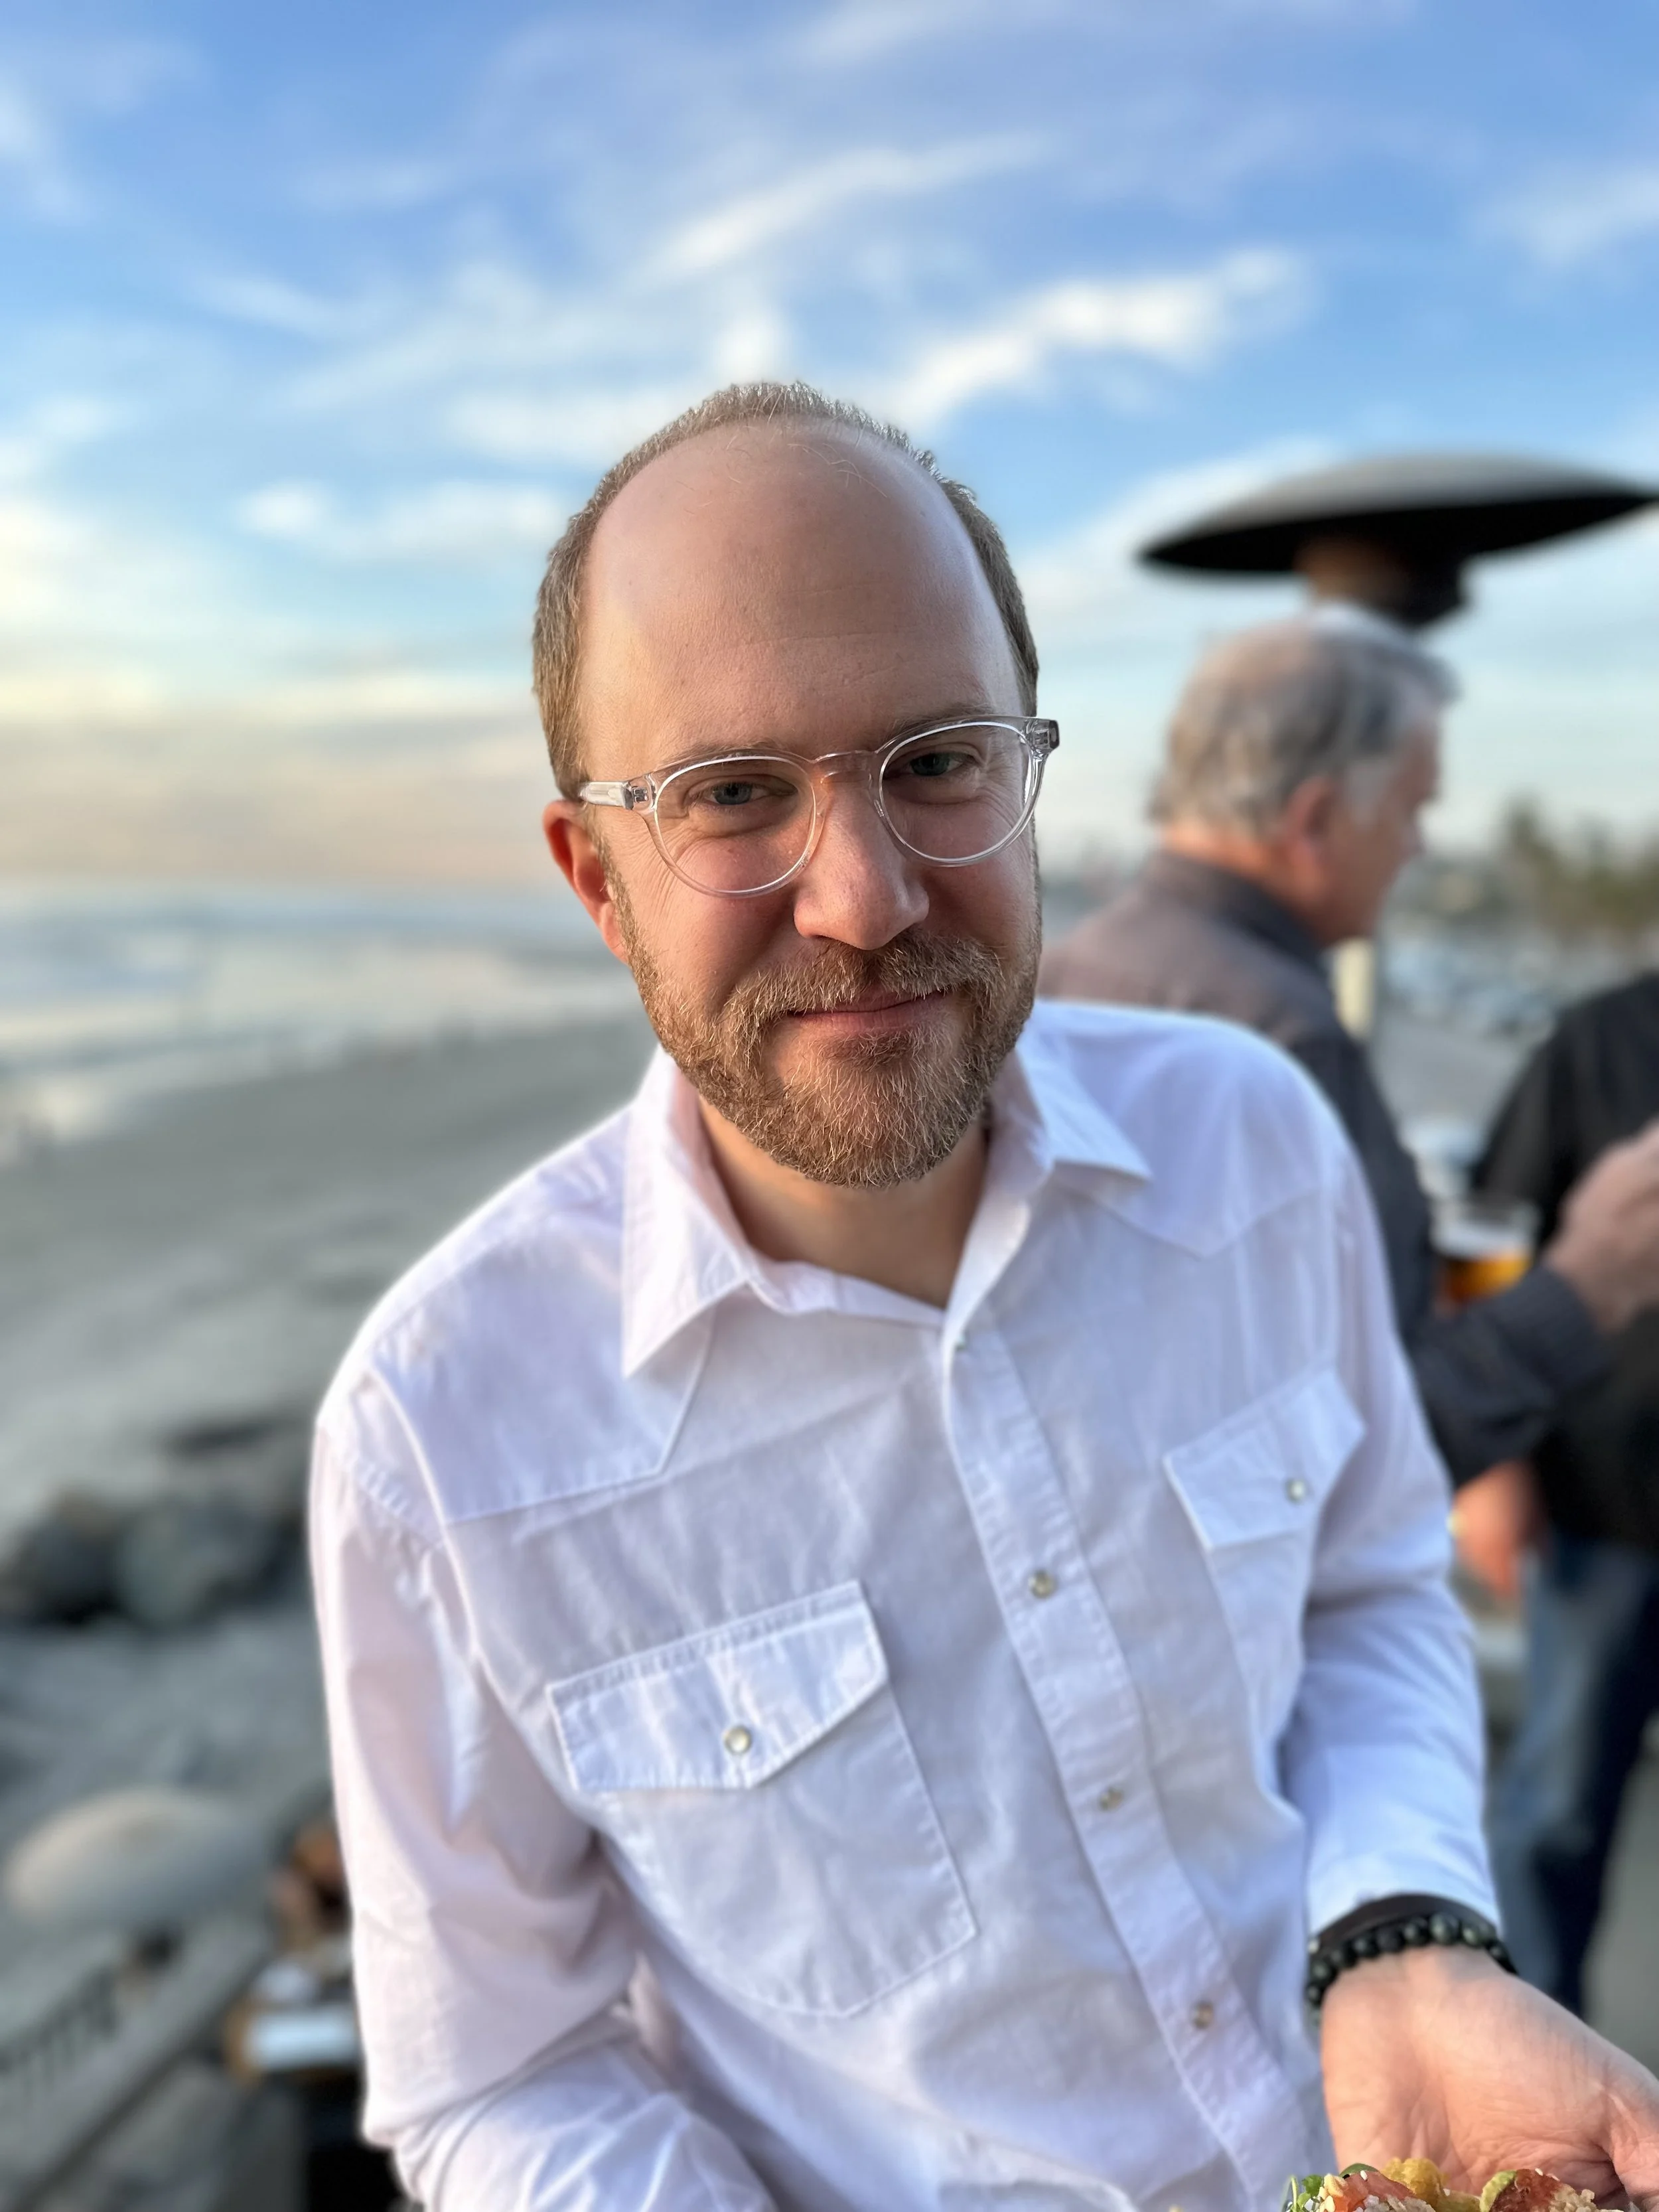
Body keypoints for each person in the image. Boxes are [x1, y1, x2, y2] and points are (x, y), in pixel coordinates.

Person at [310, 385, 1659, 2212]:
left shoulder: (1253, 1147)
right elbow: (499, 2073)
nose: (863, 897)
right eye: (731, 795)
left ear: (1029, 775)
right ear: (595, 878)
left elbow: (1363, 1586)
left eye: (937, 759)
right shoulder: (443, 1431)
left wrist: (1402, 1931)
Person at [1041, 615, 1659, 1491]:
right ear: (1317, 819)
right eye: (1414, 808)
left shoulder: (1084, 963)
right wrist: (1589, 1284)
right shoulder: (1278, 1035)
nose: (1420, 847)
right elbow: (1350, 1459)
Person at [1449, 971, 1659, 2015]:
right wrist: (1494, 1468)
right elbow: (1488, 1241)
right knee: (1557, 1815)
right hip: (1611, 1515)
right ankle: (1534, 2101)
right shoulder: (1600, 1037)